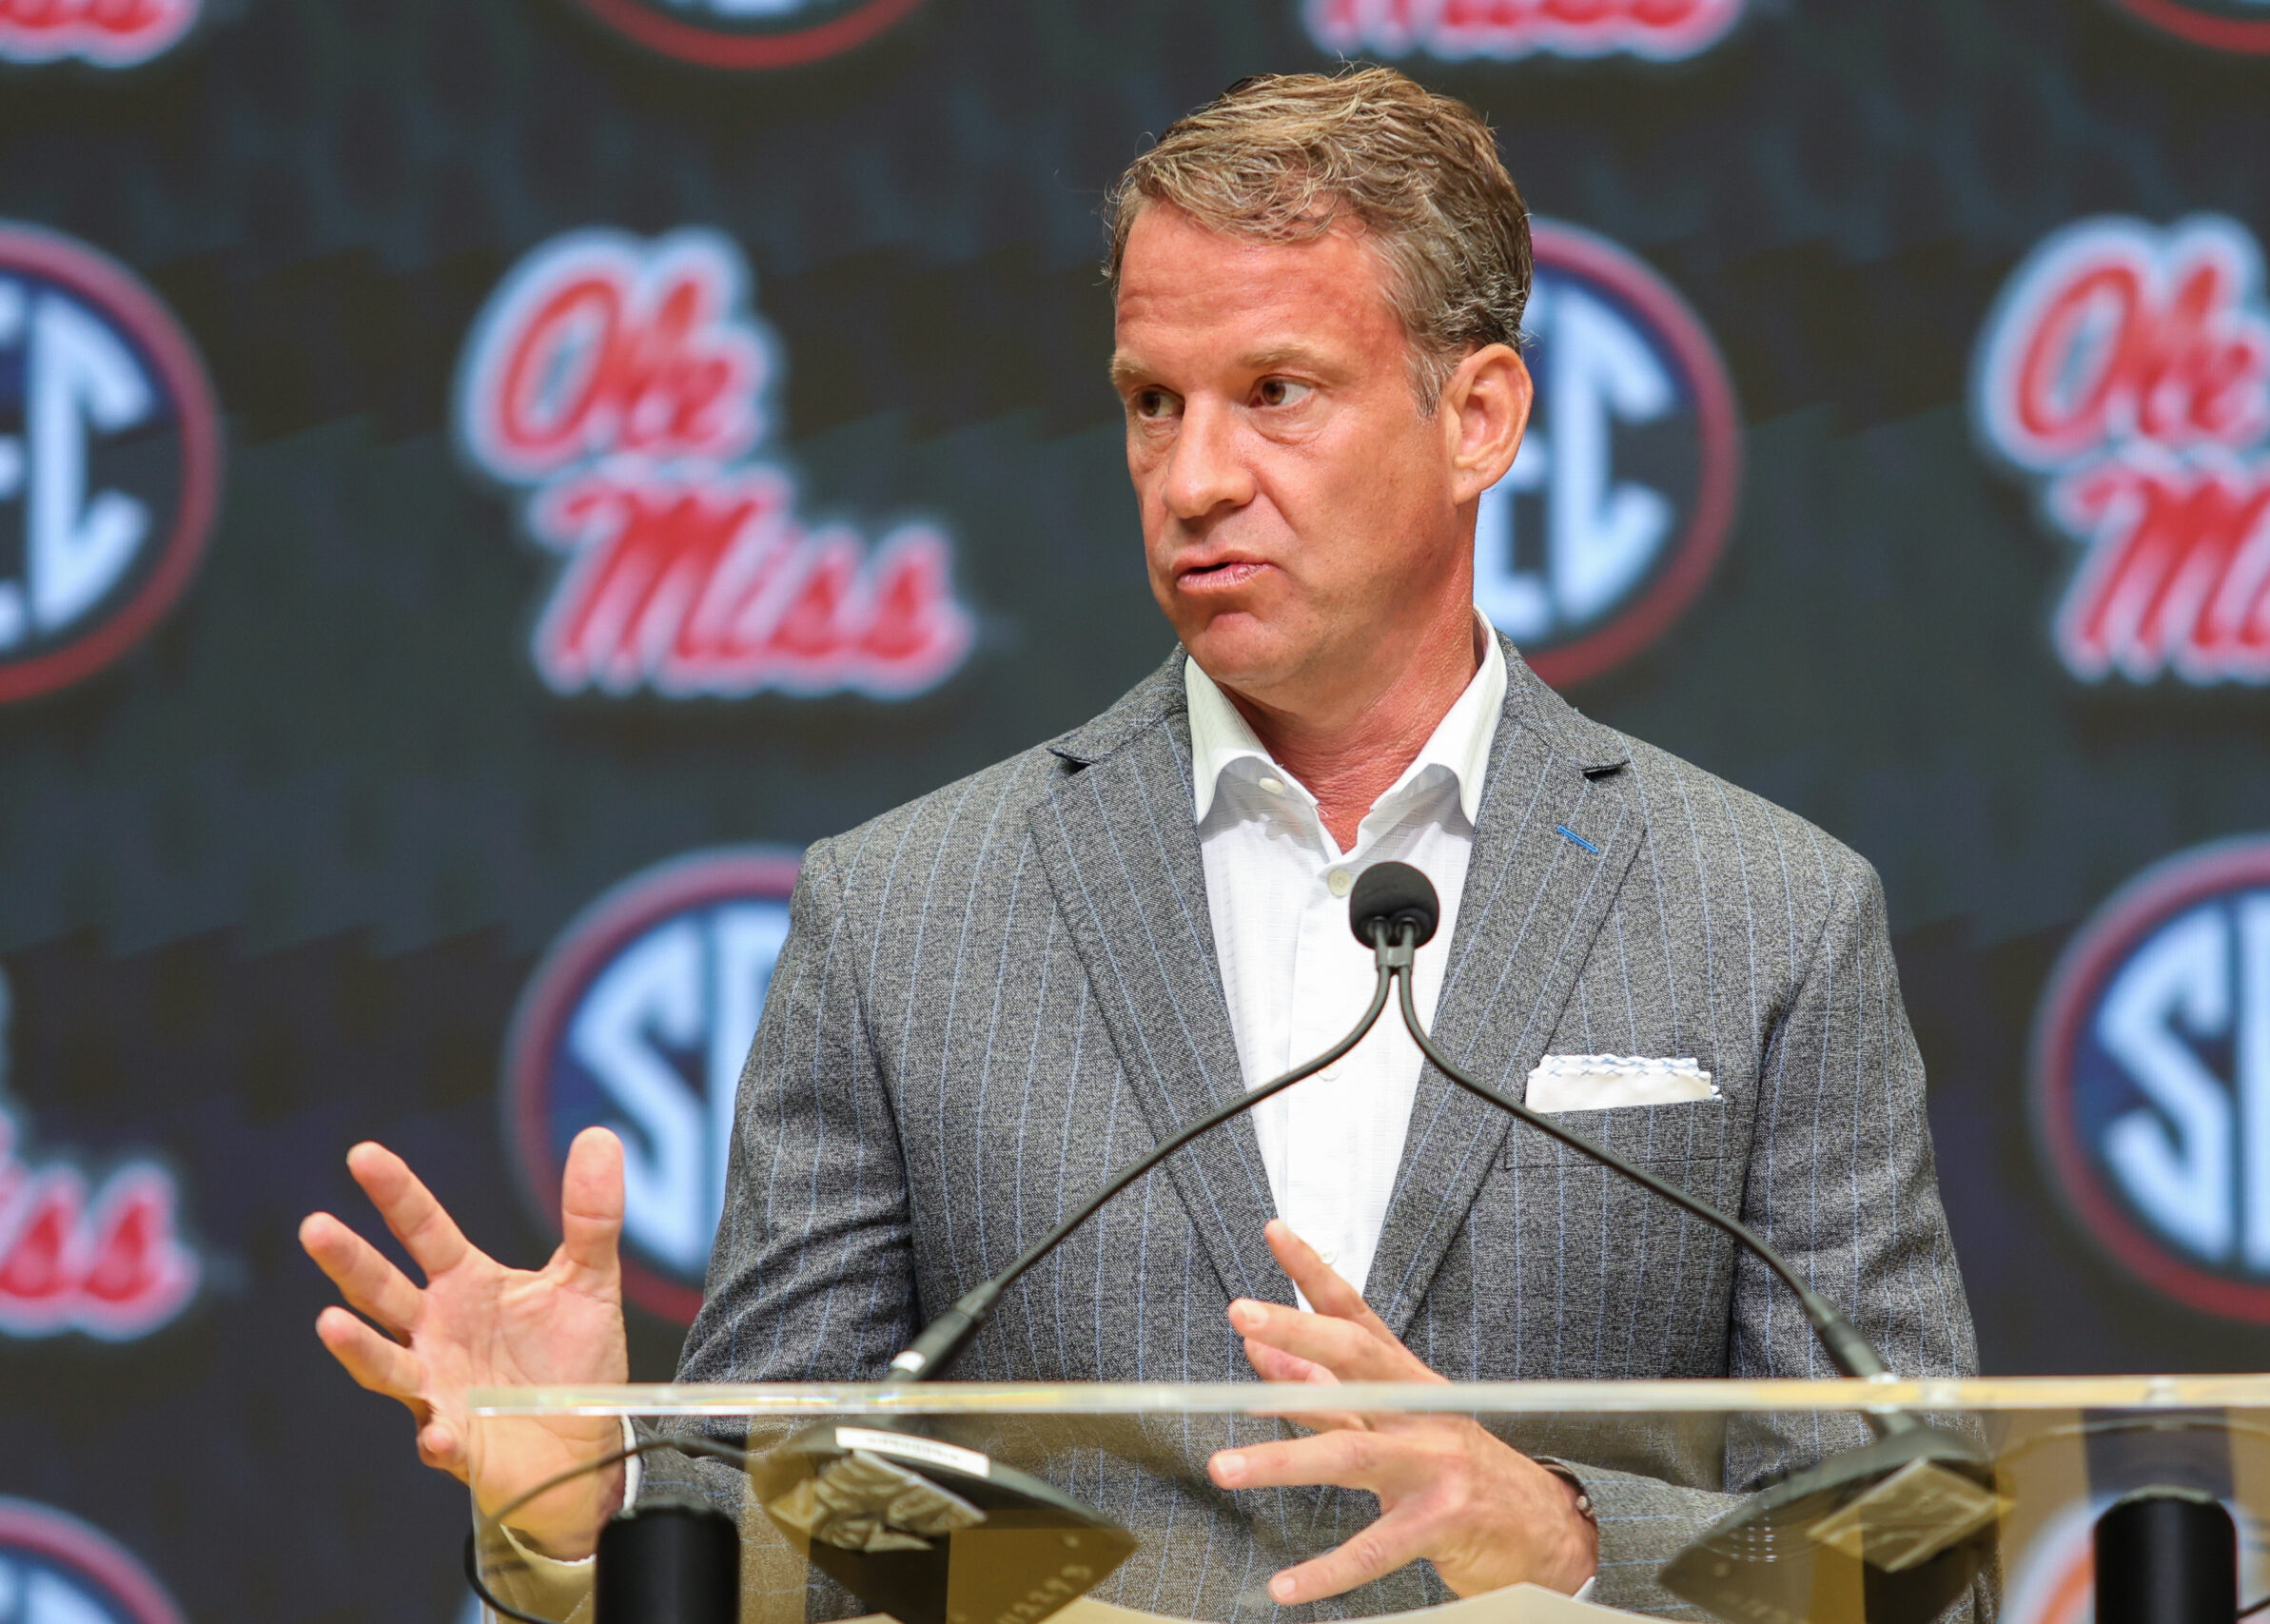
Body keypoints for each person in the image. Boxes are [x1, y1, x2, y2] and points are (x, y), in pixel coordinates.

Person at [300, 68, 1978, 1619]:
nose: (1194, 478)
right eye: (1152, 402)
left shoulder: (1768, 916)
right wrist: (584, 1511)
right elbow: (779, 1517)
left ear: (1479, 417)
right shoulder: (909, 918)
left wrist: (1568, 1533)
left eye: (1276, 394)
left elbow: (1922, 1551)